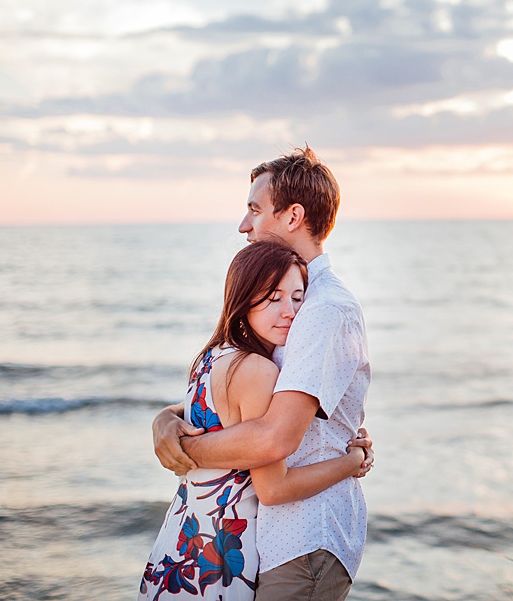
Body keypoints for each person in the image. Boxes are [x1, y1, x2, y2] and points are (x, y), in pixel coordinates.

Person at [152, 145, 373, 601]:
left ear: (293, 216)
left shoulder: (323, 309)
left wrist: (182, 447)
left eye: (255, 209)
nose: (244, 225)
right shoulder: (294, 301)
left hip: (304, 538)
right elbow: (247, 402)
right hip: (268, 537)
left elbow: (275, 438)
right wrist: (168, 417)